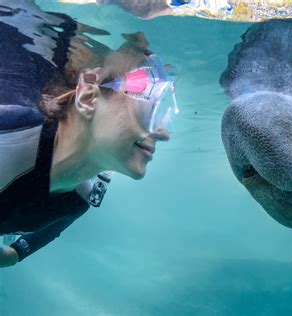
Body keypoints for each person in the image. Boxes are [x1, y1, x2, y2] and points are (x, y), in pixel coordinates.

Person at [0, 2, 177, 267]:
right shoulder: (9, 137)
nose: (162, 132)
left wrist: (16, 254)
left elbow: (56, 222)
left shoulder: (80, 197)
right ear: (88, 96)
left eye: (165, 110)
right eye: (148, 103)